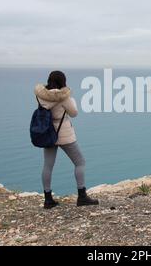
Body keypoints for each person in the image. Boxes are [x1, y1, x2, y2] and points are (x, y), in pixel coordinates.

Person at [34, 70, 99, 209]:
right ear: (63, 82)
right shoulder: (63, 96)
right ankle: (82, 196)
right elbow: (74, 112)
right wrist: (72, 100)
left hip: (48, 133)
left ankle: (48, 199)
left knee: (48, 166)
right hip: (64, 134)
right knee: (80, 162)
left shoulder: (41, 96)